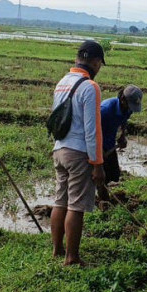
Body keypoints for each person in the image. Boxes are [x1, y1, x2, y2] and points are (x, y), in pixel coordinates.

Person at [50, 40, 106, 266]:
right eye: (100, 63)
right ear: (94, 61)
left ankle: (57, 250)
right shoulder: (90, 86)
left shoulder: (62, 82)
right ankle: (71, 257)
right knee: (76, 206)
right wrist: (98, 164)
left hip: (59, 149)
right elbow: (92, 130)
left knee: (60, 201)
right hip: (78, 153)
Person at [97, 85, 143, 199]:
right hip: (97, 144)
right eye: (130, 105)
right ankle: (103, 201)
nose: (131, 109)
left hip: (110, 143)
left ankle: (108, 197)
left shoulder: (127, 108)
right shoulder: (105, 110)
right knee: (101, 176)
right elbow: (92, 131)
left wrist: (122, 136)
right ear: (123, 99)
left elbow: (124, 120)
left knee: (115, 174)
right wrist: (98, 150)